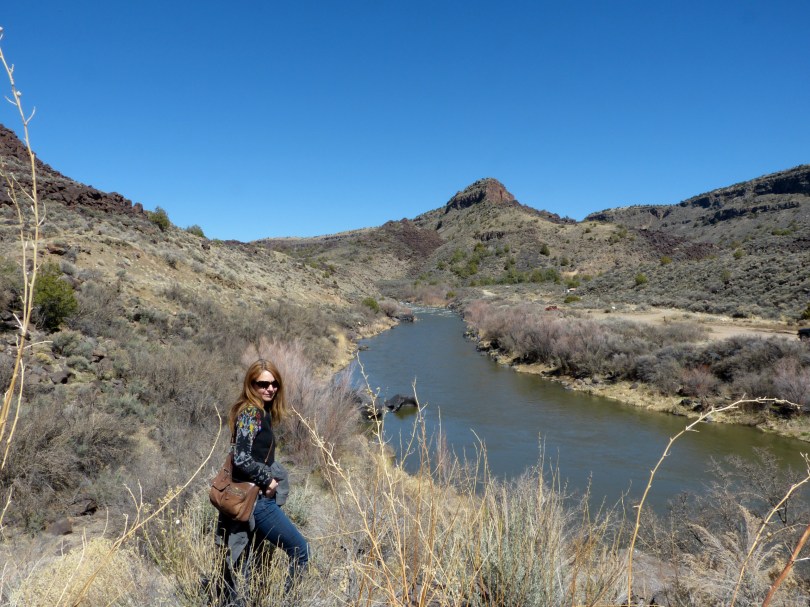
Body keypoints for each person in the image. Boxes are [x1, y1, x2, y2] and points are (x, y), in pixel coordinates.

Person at [215, 358, 309, 602]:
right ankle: (291, 600)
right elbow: (241, 457)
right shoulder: (250, 413)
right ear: (251, 384)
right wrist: (267, 480)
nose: (270, 389)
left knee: (251, 560)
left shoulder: (262, 412)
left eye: (274, 384)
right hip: (257, 501)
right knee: (300, 551)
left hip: (253, 497)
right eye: (263, 384)